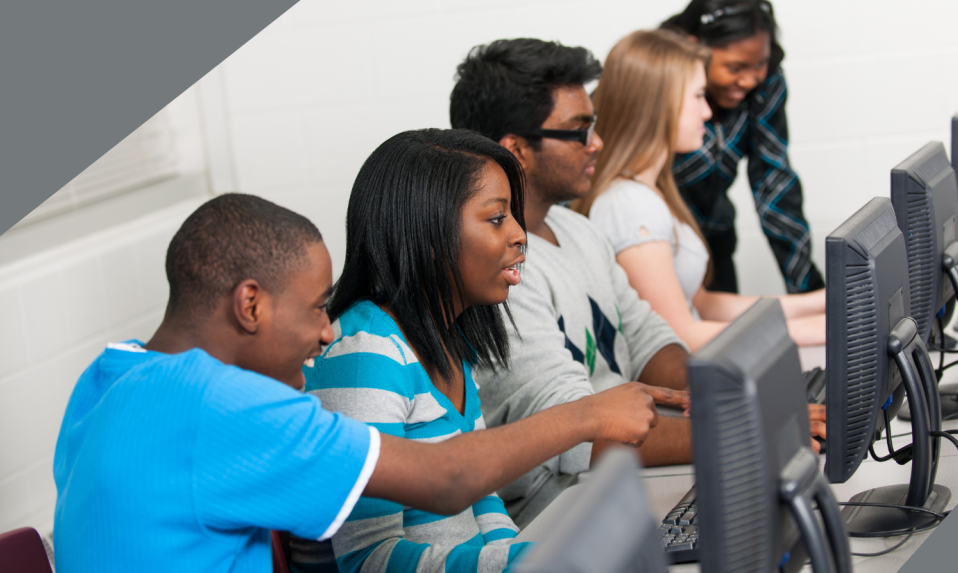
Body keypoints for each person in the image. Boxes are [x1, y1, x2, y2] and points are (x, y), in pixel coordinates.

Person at [52, 193, 680, 572]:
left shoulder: (111, 378)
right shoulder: (216, 404)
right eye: (317, 307)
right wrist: (588, 415)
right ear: (251, 306)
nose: (327, 332)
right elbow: (444, 478)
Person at [451, 38, 827, 526]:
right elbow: (575, 433)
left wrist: (727, 402)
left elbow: (651, 339)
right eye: (578, 131)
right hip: (569, 512)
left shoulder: (578, 231)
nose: (596, 144)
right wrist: (744, 426)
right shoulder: (498, 271)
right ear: (516, 150)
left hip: (625, 473)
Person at [573, 30, 825, 351]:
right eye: (698, 96)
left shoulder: (652, 191)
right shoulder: (629, 205)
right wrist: (815, 331)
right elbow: (681, 335)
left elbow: (702, 304)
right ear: (659, 104)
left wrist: (819, 304)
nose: (707, 112)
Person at [664, 0, 825, 295]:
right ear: (693, 48)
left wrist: (810, 291)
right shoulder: (652, 79)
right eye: (735, 67)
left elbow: (774, 181)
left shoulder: (766, 85)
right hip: (651, 248)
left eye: (759, 64)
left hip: (714, 243)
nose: (750, 79)